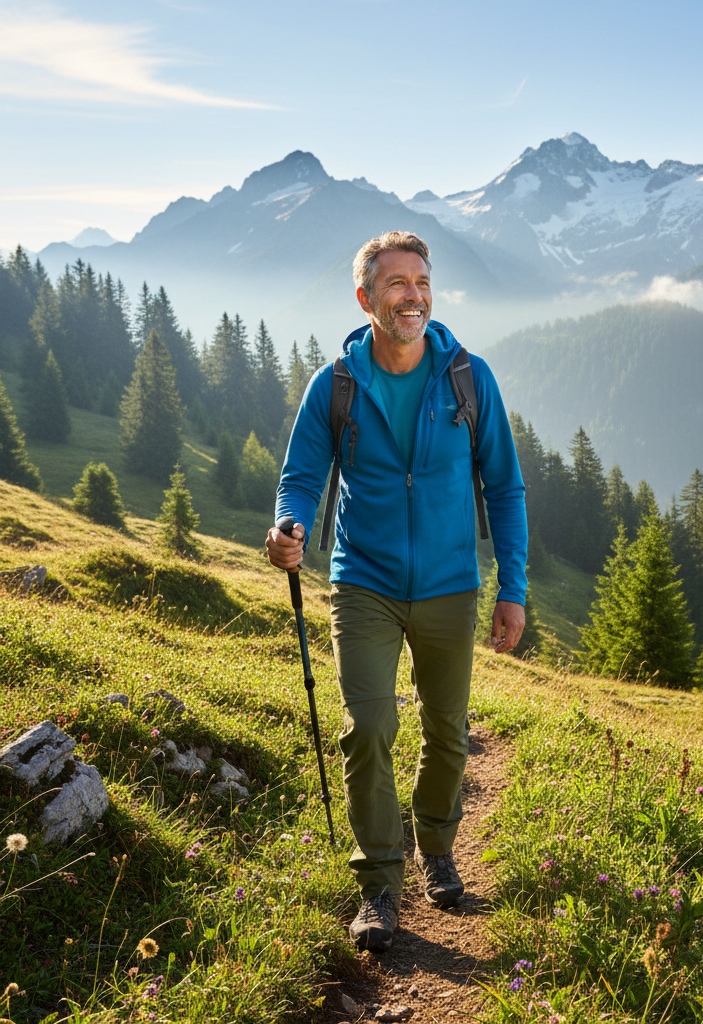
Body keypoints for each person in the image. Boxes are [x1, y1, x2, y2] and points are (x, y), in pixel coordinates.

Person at [266, 231, 527, 952]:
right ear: (366, 298)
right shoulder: (336, 386)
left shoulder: (469, 379)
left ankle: (437, 843)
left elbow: (504, 486)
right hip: (364, 582)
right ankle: (380, 882)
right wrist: (285, 527)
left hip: (450, 584)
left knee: (448, 730)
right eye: (396, 284)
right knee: (370, 725)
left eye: (421, 282)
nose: (412, 295)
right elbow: (299, 477)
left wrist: (516, 585)